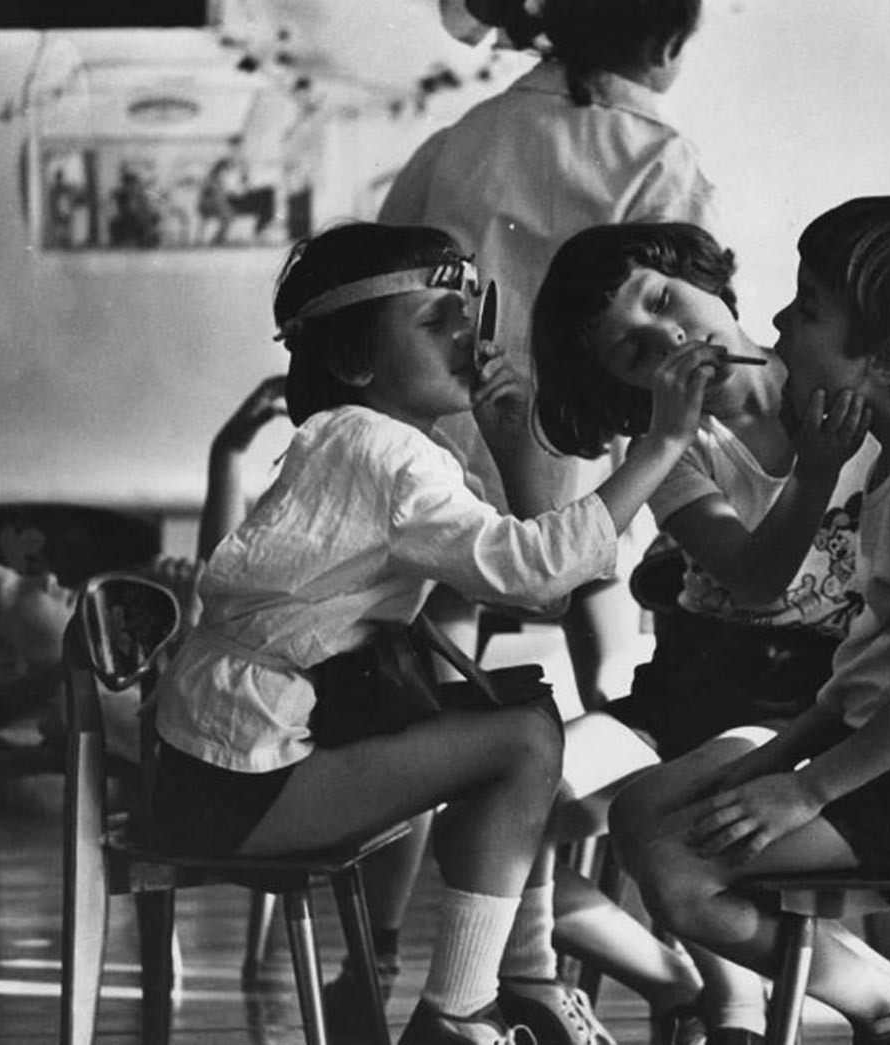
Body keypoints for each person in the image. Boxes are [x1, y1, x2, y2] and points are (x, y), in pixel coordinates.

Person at [147, 220, 723, 1045]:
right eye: (435, 319)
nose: (469, 333)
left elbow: (542, 580)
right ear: (355, 361)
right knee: (524, 740)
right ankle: (464, 1007)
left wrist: (503, 438)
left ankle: (503, 988)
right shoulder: (386, 453)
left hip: (216, 767)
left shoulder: (365, 442)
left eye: (468, 309)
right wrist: (662, 441)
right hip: (240, 779)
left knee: (517, 723)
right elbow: (535, 570)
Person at [604, 196, 890, 1045]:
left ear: (883, 360)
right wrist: (776, 756)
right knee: (639, 810)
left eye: (806, 310)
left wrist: (801, 787)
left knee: (675, 866)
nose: (777, 322)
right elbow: (873, 672)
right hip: (881, 760)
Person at [526, 220, 874, 1045]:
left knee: (689, 821)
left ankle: (733, 1007)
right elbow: (756, 580)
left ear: (706, 278)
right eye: (638, 353)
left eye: (663, 299)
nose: (672, 335)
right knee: (502, 813)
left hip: (810, 706)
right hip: (687, 693)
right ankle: (676, 980)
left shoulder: (829, 368)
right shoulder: (674, 453)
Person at [380, 0, 718, 711]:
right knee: (609, 660)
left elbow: (388, 262)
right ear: (667, 44)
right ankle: (597, 772)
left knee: (446, 630)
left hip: (460, 432)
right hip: (586, 444)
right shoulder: (658, 153)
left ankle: (446, 772)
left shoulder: (466, 136)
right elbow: (693, 306)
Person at [0, 375, 290, 760]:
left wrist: (227, 454)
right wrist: (193, 624)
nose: (45, 577)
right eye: (18, 590)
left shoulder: (101, 678)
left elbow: (222, 581)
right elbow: (213, 749)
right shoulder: (85, 711)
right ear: (6, 665)